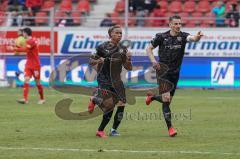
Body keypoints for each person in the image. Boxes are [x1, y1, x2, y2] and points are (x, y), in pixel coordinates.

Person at [145, 15, 203, 137]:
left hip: (175, 73)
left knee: (168, 101)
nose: (178, 26)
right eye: (175, 24)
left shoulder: (183, 36)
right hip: (163, 71)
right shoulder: (161, 36)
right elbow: (149, 49)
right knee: (166, 99)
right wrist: (154, 61)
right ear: (170, 24)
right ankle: (170, 128)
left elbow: (192, 38)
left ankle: (153, 97)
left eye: (179, 24)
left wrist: (197, 38)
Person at [88, 25, 132, 138]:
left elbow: (129, 67)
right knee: (109, 105)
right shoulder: (102, 47)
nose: (119, 35)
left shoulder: (123, 49)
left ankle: (113, 130)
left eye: (121, 33)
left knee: (122, 103)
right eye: (117, 33)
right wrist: (99, 59)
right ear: (110, 34)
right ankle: (100, 130)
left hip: (117, 80)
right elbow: (91, 61)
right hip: (104, 79)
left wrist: (128, 59)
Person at [8, 27, 45, 104]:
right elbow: (25, 48)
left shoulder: (32, 41)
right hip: (28, 64)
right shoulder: (28, 41)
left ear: (26, 33)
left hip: (35, 65)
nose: (22, 34)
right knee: (26, 79)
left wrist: (14, 49)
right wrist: (16, 47)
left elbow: (26, 50)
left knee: (37, 82)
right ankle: (25, 99)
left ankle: (42, 99)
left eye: (23, 33)